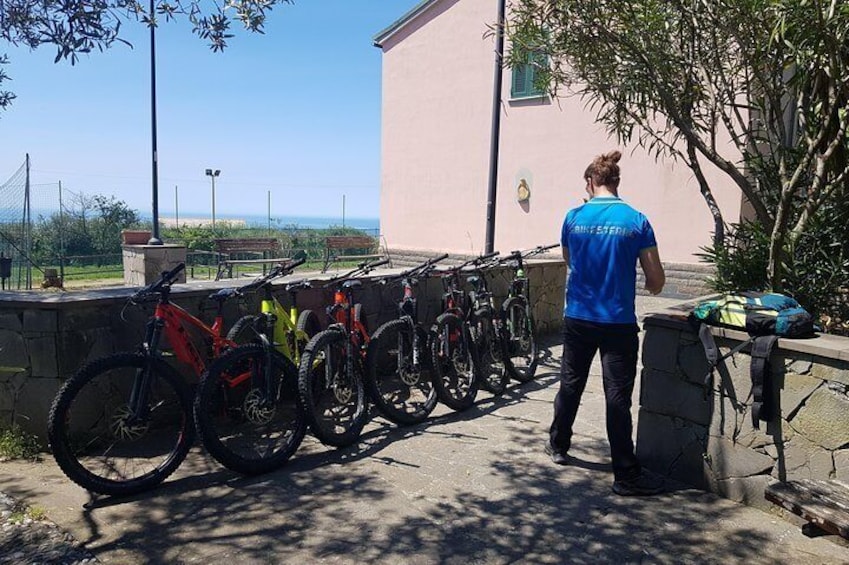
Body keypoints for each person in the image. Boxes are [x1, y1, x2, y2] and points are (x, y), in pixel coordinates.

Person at [545, 150, 666, 497]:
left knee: (570, 384)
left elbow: (569, 260)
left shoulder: (573, 218)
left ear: (589, 182)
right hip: (617, 321)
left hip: (578, 317)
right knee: (617, 397)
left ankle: (558, 445)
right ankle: (625, 475)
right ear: (616, 182)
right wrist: (645, 284)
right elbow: (656, 279)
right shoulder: (636, 220)